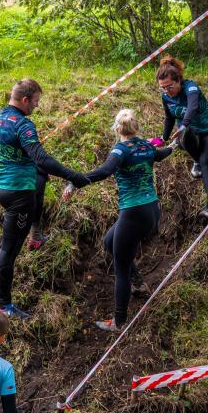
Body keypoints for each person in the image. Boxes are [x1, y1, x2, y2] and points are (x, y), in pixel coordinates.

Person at [64, 109, 173, 332]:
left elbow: (105, 171)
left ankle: (119, 322)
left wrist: (75, 182)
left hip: (133, 213)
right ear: (136, 127)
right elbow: (161, 154)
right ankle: (140, 284)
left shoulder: (120, 150)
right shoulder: (145, 146)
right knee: (108, 242)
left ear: (117, 129)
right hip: (152, 209)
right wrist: (175, 145)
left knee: (121, 269)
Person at [0, 78, 89, 319]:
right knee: (9, 250)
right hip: (18, 194)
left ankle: (36, 233)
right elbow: (41, 158)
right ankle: (4, 305)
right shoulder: (24, 125)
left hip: (0, 187)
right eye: (35, 102)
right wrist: (73, 176)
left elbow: (33, 162)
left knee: (40, 179)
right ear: (24, 100)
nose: (36, 106)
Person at [154, 55, 208, 220]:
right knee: (186, 133)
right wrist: (163, 138)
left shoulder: (190, 88)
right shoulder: (166, 97)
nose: (166, 91)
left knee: (206, 161)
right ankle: (195, 159)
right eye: (162, 88)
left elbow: (193, 106)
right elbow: (169, 117)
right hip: (188, 135)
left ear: (179, 81)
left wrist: (183, 125)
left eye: (169, 87)